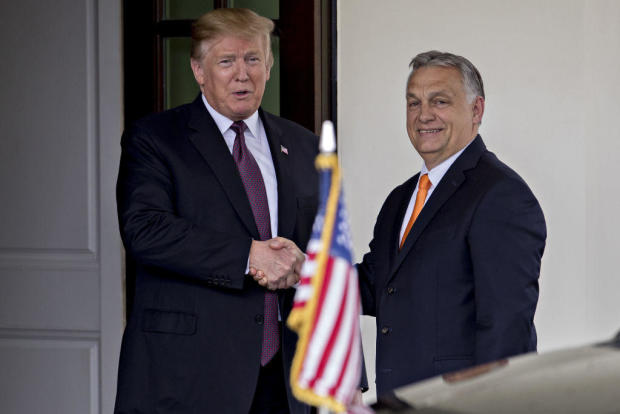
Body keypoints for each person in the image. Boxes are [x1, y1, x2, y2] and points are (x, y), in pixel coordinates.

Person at [114, 8, 321, 414]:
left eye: (253, 59)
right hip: (189, 374)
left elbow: (328, 246)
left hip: (286, 378)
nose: (242, 74)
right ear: (198, 70)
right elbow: (145, 230)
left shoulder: (305, 146)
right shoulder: (154, 139)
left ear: (269, 65)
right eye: (226, 61)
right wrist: (249, 255)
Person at [357, 51, 547, 396]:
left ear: (477, 110)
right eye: (413, 103)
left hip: (460, 403)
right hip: (399, 400)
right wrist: (304, 272)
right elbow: (376, 286)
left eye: (439, 101)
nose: (423, 115)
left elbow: (506, 331)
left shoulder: (501, 195)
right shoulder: (401, 198)